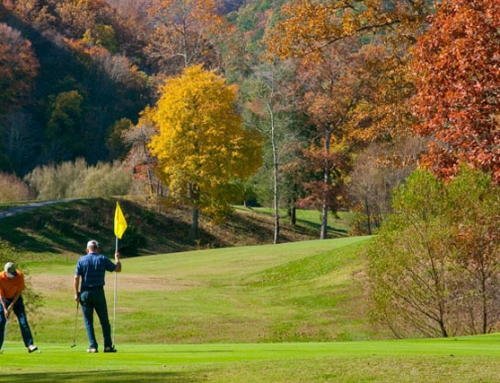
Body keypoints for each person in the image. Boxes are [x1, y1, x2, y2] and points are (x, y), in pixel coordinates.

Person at [74, 240, 122, 353]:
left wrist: (76, 293)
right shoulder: (102, 259)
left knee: (88, 321)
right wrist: (117, 259)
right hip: (99, 291)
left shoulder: (81, 260)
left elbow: (76, 278)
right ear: (97, 249)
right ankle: (108, 346)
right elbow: (117, 269)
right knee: (104, 320)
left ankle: (93, 346)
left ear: (87, 250)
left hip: (85, 292)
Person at [0, 262, 38, 353]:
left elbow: (19, 292)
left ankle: (30, 345)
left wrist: (12, 305)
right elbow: (0, 295)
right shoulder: (0, 277)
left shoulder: (19, 275)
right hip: (4, 300)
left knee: (23, 321)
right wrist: (5, 309)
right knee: (1, 322)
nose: (12, 276)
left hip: (16, 300)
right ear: (5, 272)